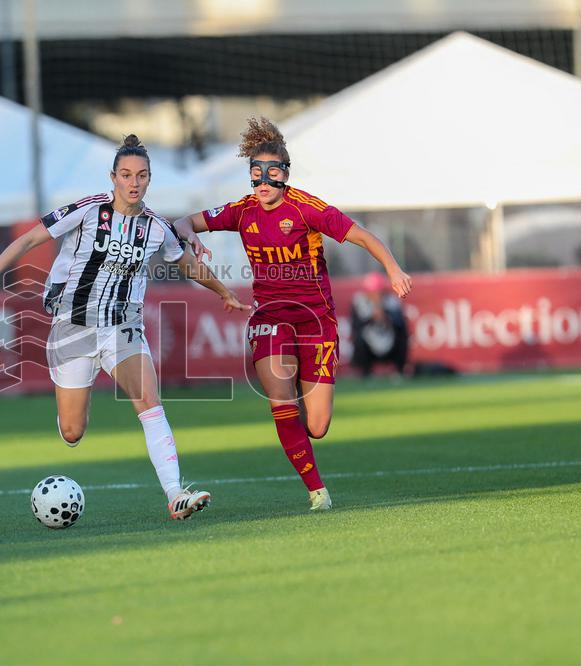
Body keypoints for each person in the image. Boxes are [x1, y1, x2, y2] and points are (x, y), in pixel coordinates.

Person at [0, 135, 249, 520]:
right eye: (126, 175)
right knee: (73, 431)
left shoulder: (156, 228)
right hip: (72, 327)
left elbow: (185, 264)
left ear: (149, 179)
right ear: (113, 178)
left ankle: (176, 494)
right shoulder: (88, 211)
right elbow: (31, 237)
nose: (134, 182)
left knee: (149, 402)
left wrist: (223, 292)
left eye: (141, 175)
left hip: (122, 325)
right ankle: (74, 403)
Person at [173, 117, 412, 512]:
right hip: (269, 316)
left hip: (316, 320)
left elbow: (364, 236)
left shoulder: (307, 209)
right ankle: (318, 491)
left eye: (271, 174)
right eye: (256, 175)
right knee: (280, 401)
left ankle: (297, 419)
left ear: (285, 175)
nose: (263, 183)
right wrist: (192, 234)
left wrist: (393, 268)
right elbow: (182, 222)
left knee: (316, 426)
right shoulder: (241, 211)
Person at [350, 271, 410, 379]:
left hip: (390, 345)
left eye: (379, 293)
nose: (376, 296)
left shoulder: (392, 302)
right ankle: (365, 373)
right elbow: (355, 327)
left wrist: (387, 317)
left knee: (403, 337)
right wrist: (371, 318)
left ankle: (399, 370)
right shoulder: (359, 303)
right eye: (372, 293)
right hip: (369, 346)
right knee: (359, 339)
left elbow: (401, 325)